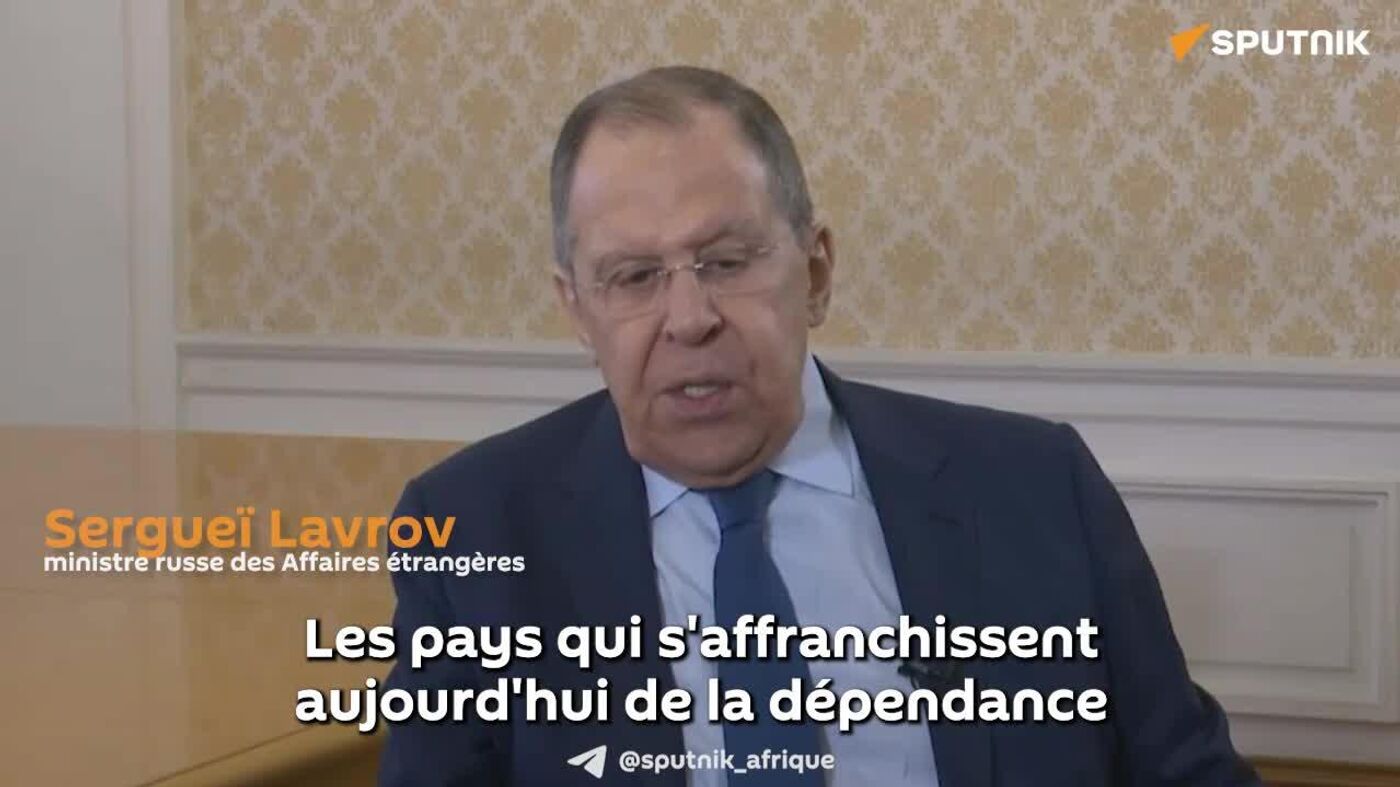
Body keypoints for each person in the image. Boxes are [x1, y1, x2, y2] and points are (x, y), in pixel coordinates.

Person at [378, 65, 1260, 786]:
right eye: (635, 277)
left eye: (726, 261)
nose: (689, 319)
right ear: (577, 309)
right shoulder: (474, 526)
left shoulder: (1033, 485)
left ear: (817, 270)